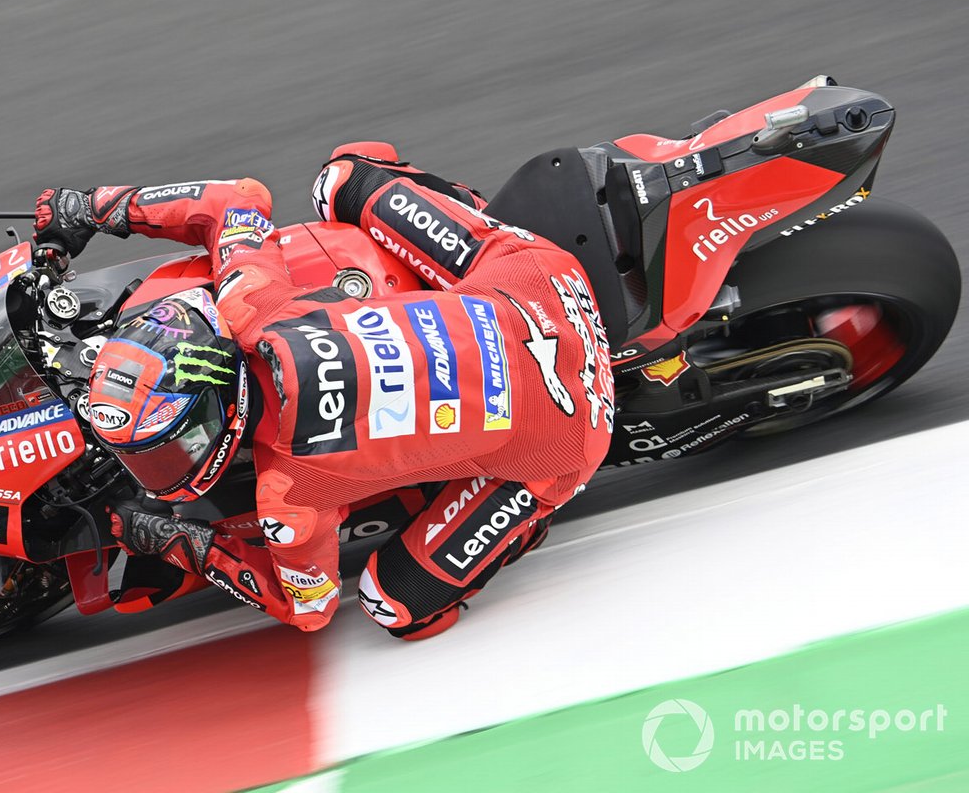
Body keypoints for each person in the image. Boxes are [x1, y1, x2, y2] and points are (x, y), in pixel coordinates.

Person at [33, 142, 615, 639]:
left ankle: (532, 509)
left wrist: (179, 541)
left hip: (570, 439)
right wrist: (92, 208)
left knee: (396, 607)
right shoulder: (253, 305)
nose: (156, 467)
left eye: (164, 450)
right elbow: (238, 199)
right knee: (342, 177)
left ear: (214, 416)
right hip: (541, 280)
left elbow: (308, 611)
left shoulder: (289, 493)